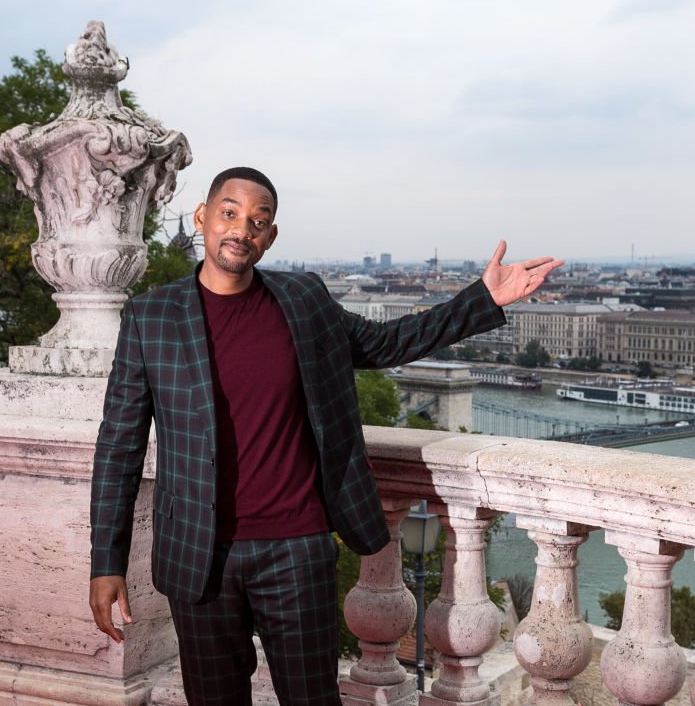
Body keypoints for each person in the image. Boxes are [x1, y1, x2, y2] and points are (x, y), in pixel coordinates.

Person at [89, 166, 564, 705]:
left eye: (258, 221)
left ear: (269, 238)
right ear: (203, 218)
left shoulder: (303, 299)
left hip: (297, 547)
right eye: (230, 213)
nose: (242, 228)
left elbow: (384, 344)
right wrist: (106, 561)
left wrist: (484, 299)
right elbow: (119, 446)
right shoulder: (151, 317)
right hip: (200, 555)